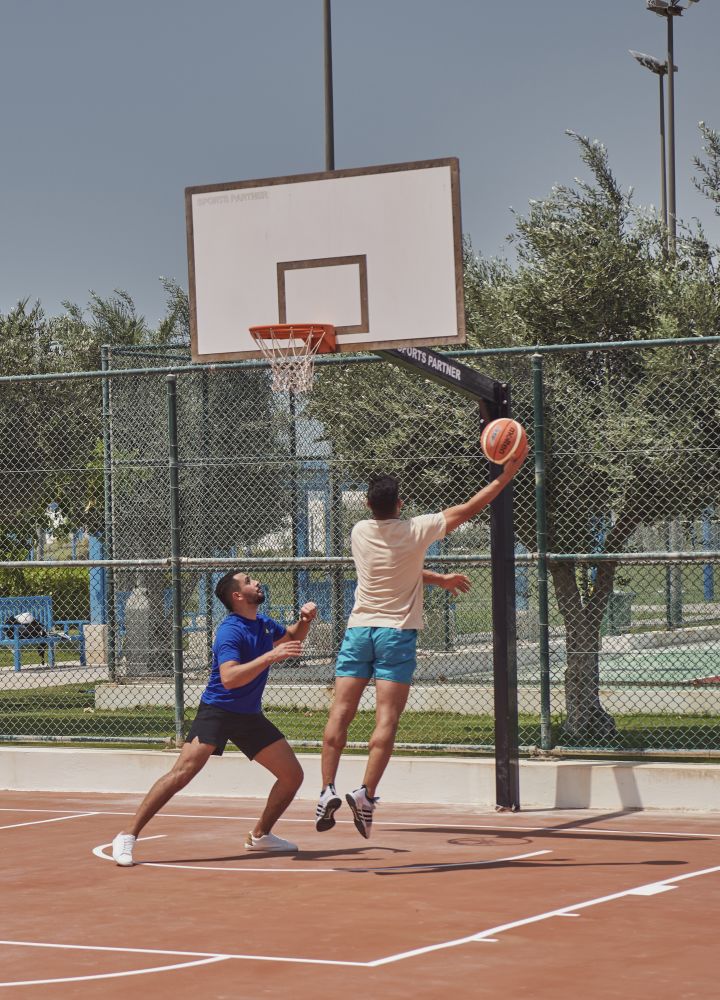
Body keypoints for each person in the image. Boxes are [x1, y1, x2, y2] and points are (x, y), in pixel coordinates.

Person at [315, 443, 528, 839]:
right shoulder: (416, 530)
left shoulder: (359, 531)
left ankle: (326, 789)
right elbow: (470, 508)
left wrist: (438, 579)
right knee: (386, 719)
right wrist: (506, 475)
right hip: (395, 635)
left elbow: (398, 567)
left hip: (358, 631)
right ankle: (365, 794)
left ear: (368, 504)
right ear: (401, 503)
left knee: (340, 713)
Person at [111, 570, 317, 866]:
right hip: (218, 711)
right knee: (182, 773)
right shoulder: (230, 631)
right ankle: (127, 835)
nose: (257, 582)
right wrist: (271, 656)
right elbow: (230, 678)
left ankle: (260, 836)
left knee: (292, 775)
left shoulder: (263, 624)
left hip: (249, 715)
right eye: (249, 581)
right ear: (237, 596)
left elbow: (293, 637)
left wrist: (305, 620)